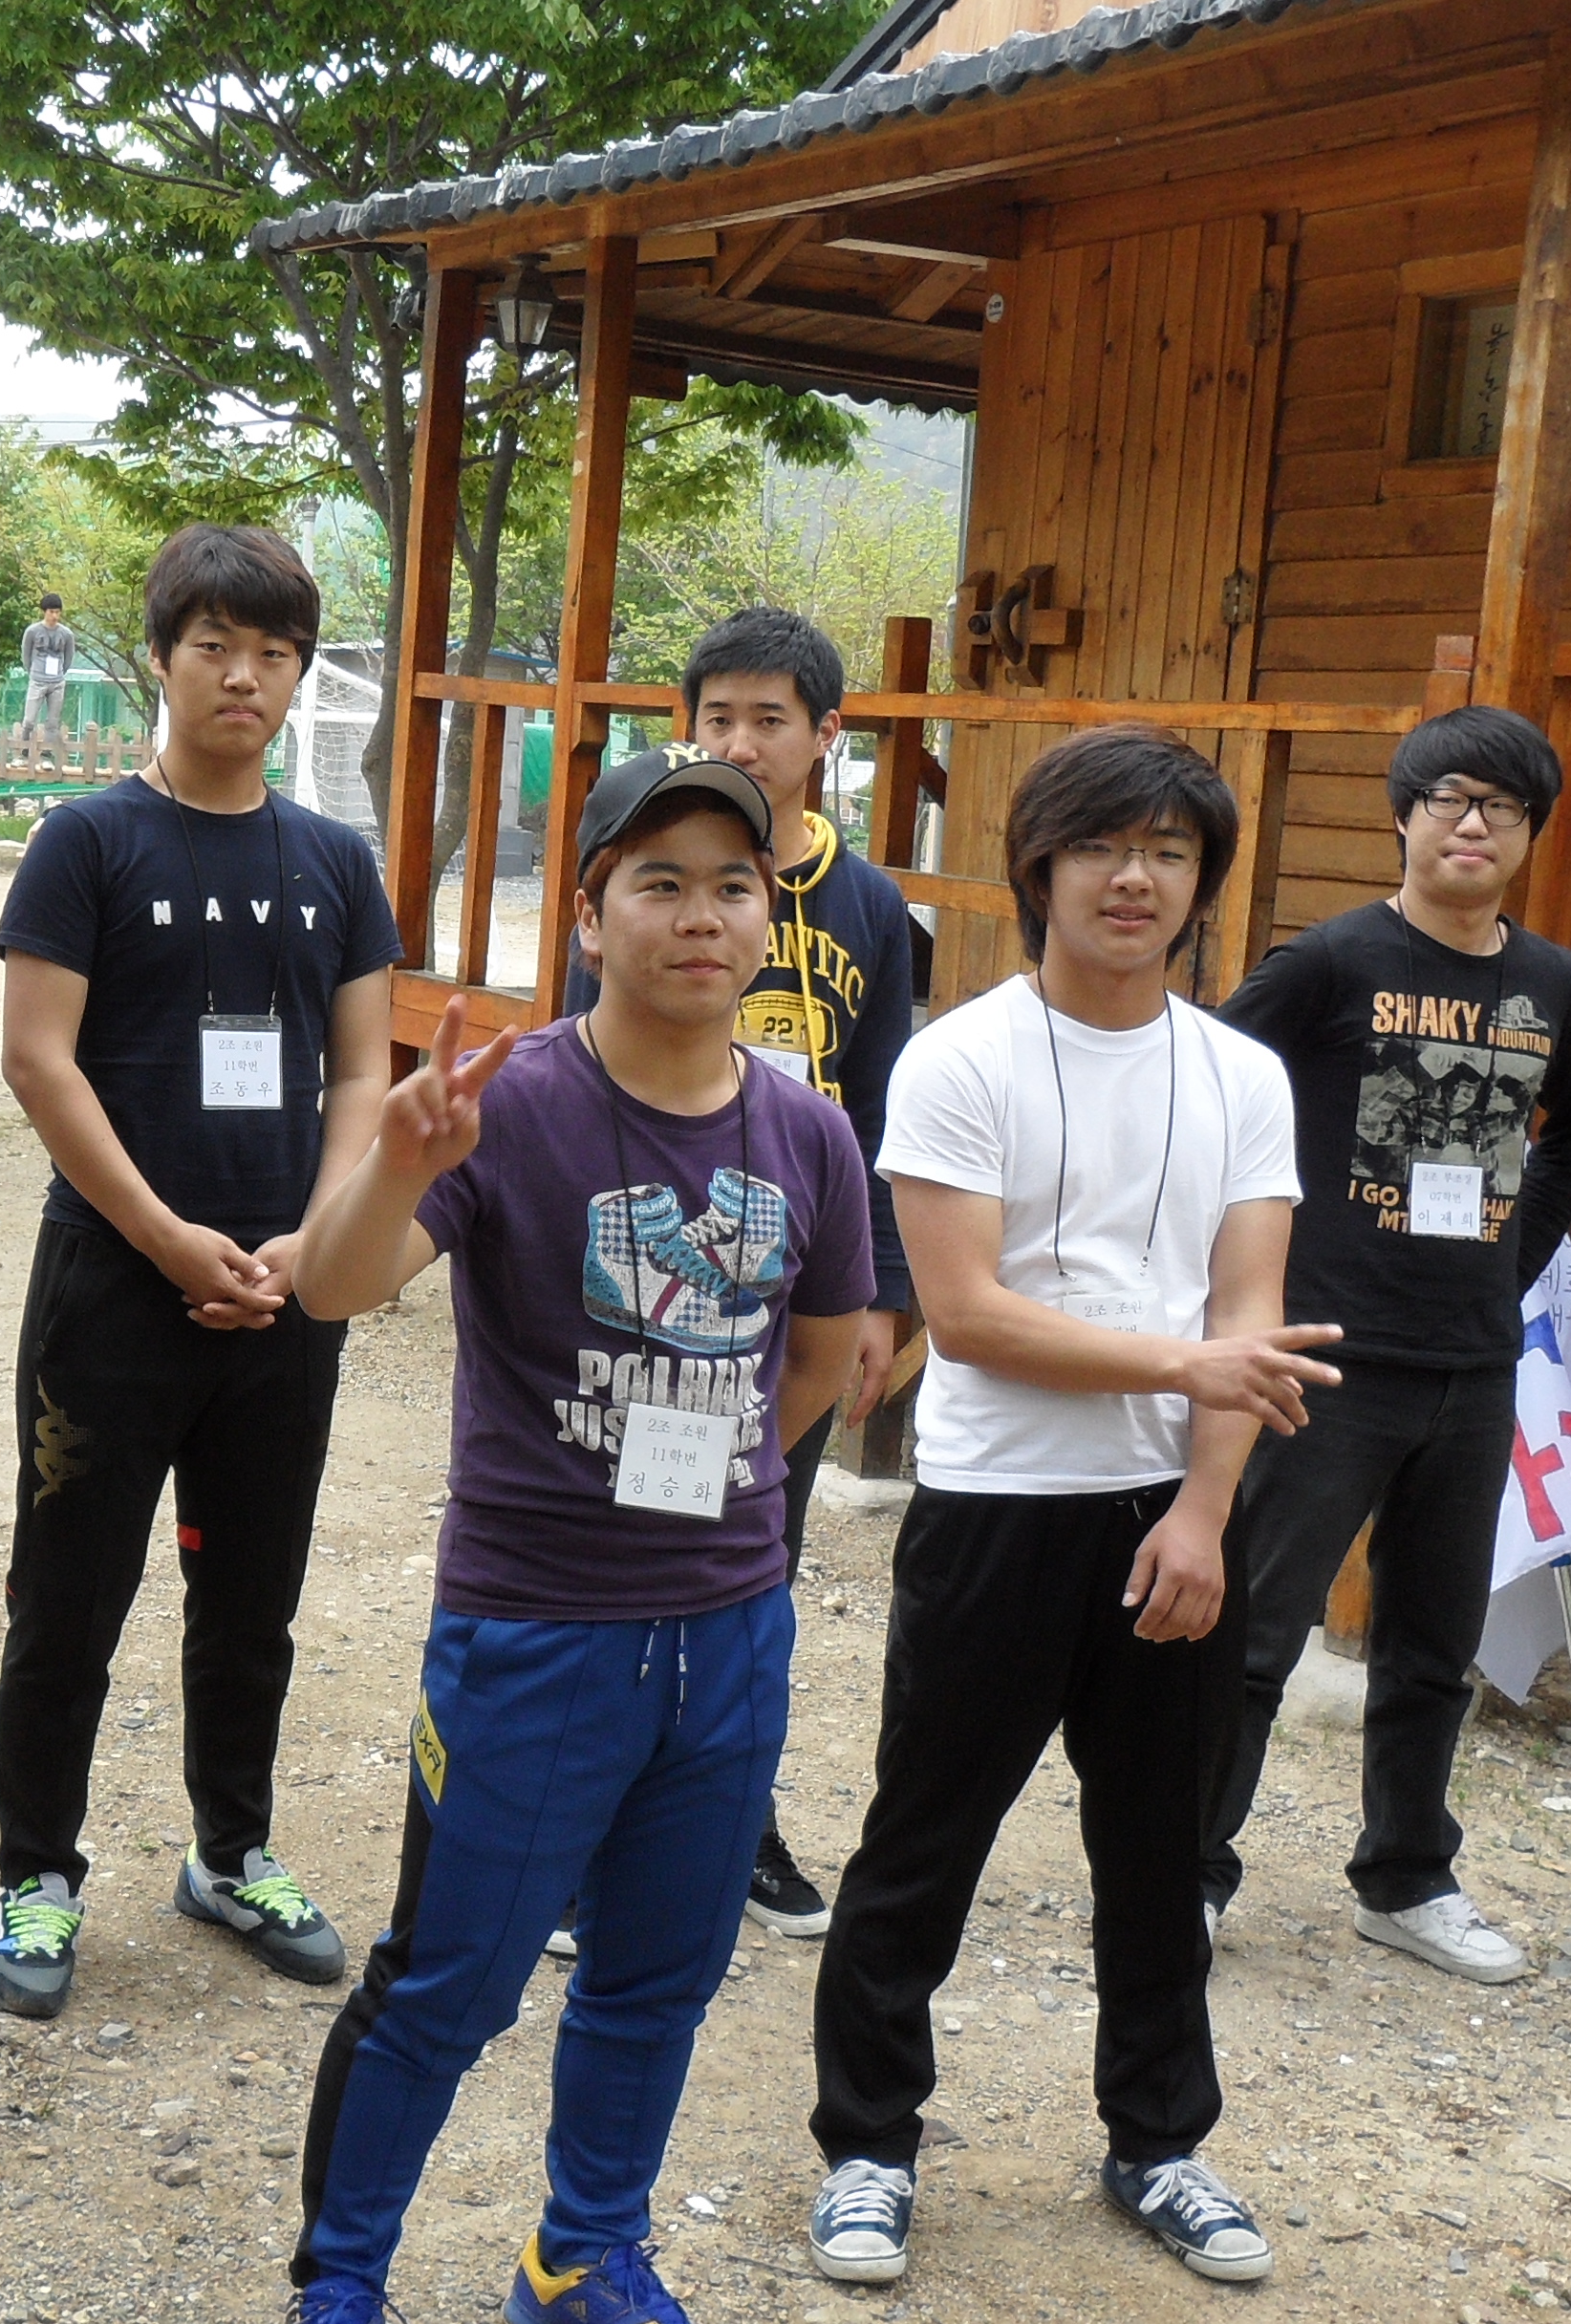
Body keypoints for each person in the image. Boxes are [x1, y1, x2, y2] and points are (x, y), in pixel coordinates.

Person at [280, 749, 871, 2324]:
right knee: (449, 1982)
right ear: (592, 915)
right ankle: (341, 2280)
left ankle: (581, 2251)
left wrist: (718, 1491)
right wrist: (400, 1159)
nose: (701, 915)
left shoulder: (807, 1133)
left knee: (657, 1978)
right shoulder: (515, 1102)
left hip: (729, 1632)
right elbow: (333, 1287)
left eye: (733, 885)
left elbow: (824, 1352)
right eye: (658, 883)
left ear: (768, 919)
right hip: (532, 1634)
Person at [801, 725, 1324, 2291]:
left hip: (1172, 1512)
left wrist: (1207, 1510)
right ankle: (869, 2146)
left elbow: (1252, 1308)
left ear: (1202, 883)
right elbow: (968, 1317)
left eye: (1169, 851)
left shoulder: (1242, 1075)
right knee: (924, 1837)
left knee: (1159, 1851)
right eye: (1103, 845)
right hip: (999, 1506)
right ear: (1042, 866)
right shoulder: (960, 1057)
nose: (1134, 877)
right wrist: (1186, 1364)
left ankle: (1159, 2141)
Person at [0, 524, 398, 2019]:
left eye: (276, 654)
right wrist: (166, 1236)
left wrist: (315, 1237)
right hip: (112, 1288)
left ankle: (232, 1853)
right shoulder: (87, 844)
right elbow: (39, 1061)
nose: (245, 677)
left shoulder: (335, 863)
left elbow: (364, 1071)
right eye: (216, 645)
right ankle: (37, 1871)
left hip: (285, 1298)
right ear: (161, 656)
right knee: (68, 1597)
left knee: (250, 1596)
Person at [1201, 704, 1571, 1983]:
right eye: (1450, 798)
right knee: (1255, 1633)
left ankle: (1408, 1878)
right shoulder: (1331, 962)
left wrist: (1515, 1259)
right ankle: (1186, 1873)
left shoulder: (1554, 986)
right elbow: (1211, 1085)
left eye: (1503, 806)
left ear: (1532, 832)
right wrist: (1251, 1268)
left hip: (1474, 1363)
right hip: (1327, 1351)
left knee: (1434, 1644)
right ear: (1405, 816)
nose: (1473, 823)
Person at [559, 606, 913, 1943]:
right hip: (649, 1265)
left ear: (827, 736)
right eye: (719, 718)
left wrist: (882, 1292)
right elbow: (577, 1054)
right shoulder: (646, 870)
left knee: (754, 1548)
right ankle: (576, 1829)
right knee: (614, 1541)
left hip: (791, 1283)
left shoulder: (870, 906)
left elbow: (882, 1106)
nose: (744, 742)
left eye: (771, 719)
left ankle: (730, 1820)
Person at [18, 591, 79, 764]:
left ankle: (47, 755)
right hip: (37, 680)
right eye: (51, 612)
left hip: (57, 682)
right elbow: (26, 655)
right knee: (29, 720)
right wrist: (33, 672)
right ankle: (23, 753)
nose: (55, 616)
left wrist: (60, 672)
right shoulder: (32, 631)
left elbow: (69, 657)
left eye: (57, 612)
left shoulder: (66, 634)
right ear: (44, 611)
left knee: (52, 722)